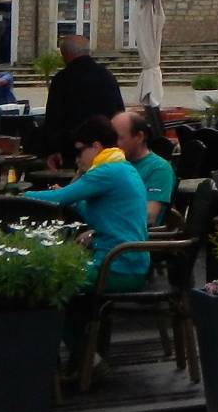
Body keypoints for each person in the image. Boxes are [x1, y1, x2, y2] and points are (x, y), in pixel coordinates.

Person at [23, 115, 151, 371]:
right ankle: (81, 354)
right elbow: (94, 208)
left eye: (80, 151)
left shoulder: (106, 171)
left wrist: (18, 195)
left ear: (96, 146)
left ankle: (84, 356)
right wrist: (73, 195)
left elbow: (57, 200)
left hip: (116, 265)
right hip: (125, 260)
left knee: (47, 280)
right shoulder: (121, 167)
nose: (78, 158)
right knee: (58, 281)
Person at [40, 34, 125, 167]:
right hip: (106, 148)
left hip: (73, 150)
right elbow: (119, 110)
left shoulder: (62, 79)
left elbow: (53, 118)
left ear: (65, 55)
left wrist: (52, 149)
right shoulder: (106, 76)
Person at [113, 109, 177, 229]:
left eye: (119, 138)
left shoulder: (158, 168)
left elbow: (148, 217)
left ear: (139, 137)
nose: (112, 144)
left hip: (132, 240)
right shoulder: (113, 164)